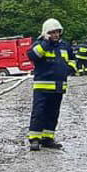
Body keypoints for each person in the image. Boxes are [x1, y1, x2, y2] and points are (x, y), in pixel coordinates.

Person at [27, 18, 76, 151]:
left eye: (57, 32)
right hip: (42, 87)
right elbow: (33, 55)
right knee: (39, 112)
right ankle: (34, 139)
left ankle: (48, 138)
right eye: (52, 32)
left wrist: (70, 69)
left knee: (53, 113)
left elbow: (72, 59)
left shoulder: (64, 46)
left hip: (59, 86)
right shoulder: (40, 44)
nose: (55, 35)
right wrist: (46, 43)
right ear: (46, 33)